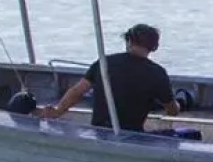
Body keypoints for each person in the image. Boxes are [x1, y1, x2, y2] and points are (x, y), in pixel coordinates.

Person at [37, 23, 180, 132]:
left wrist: (57, 111)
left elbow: (77, 91)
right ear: (154, 47)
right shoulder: (157, 73)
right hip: (132, 134)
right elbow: (172, 111)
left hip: (99, 131)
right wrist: (177, 104)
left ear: (129, 41)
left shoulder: (104, 63)